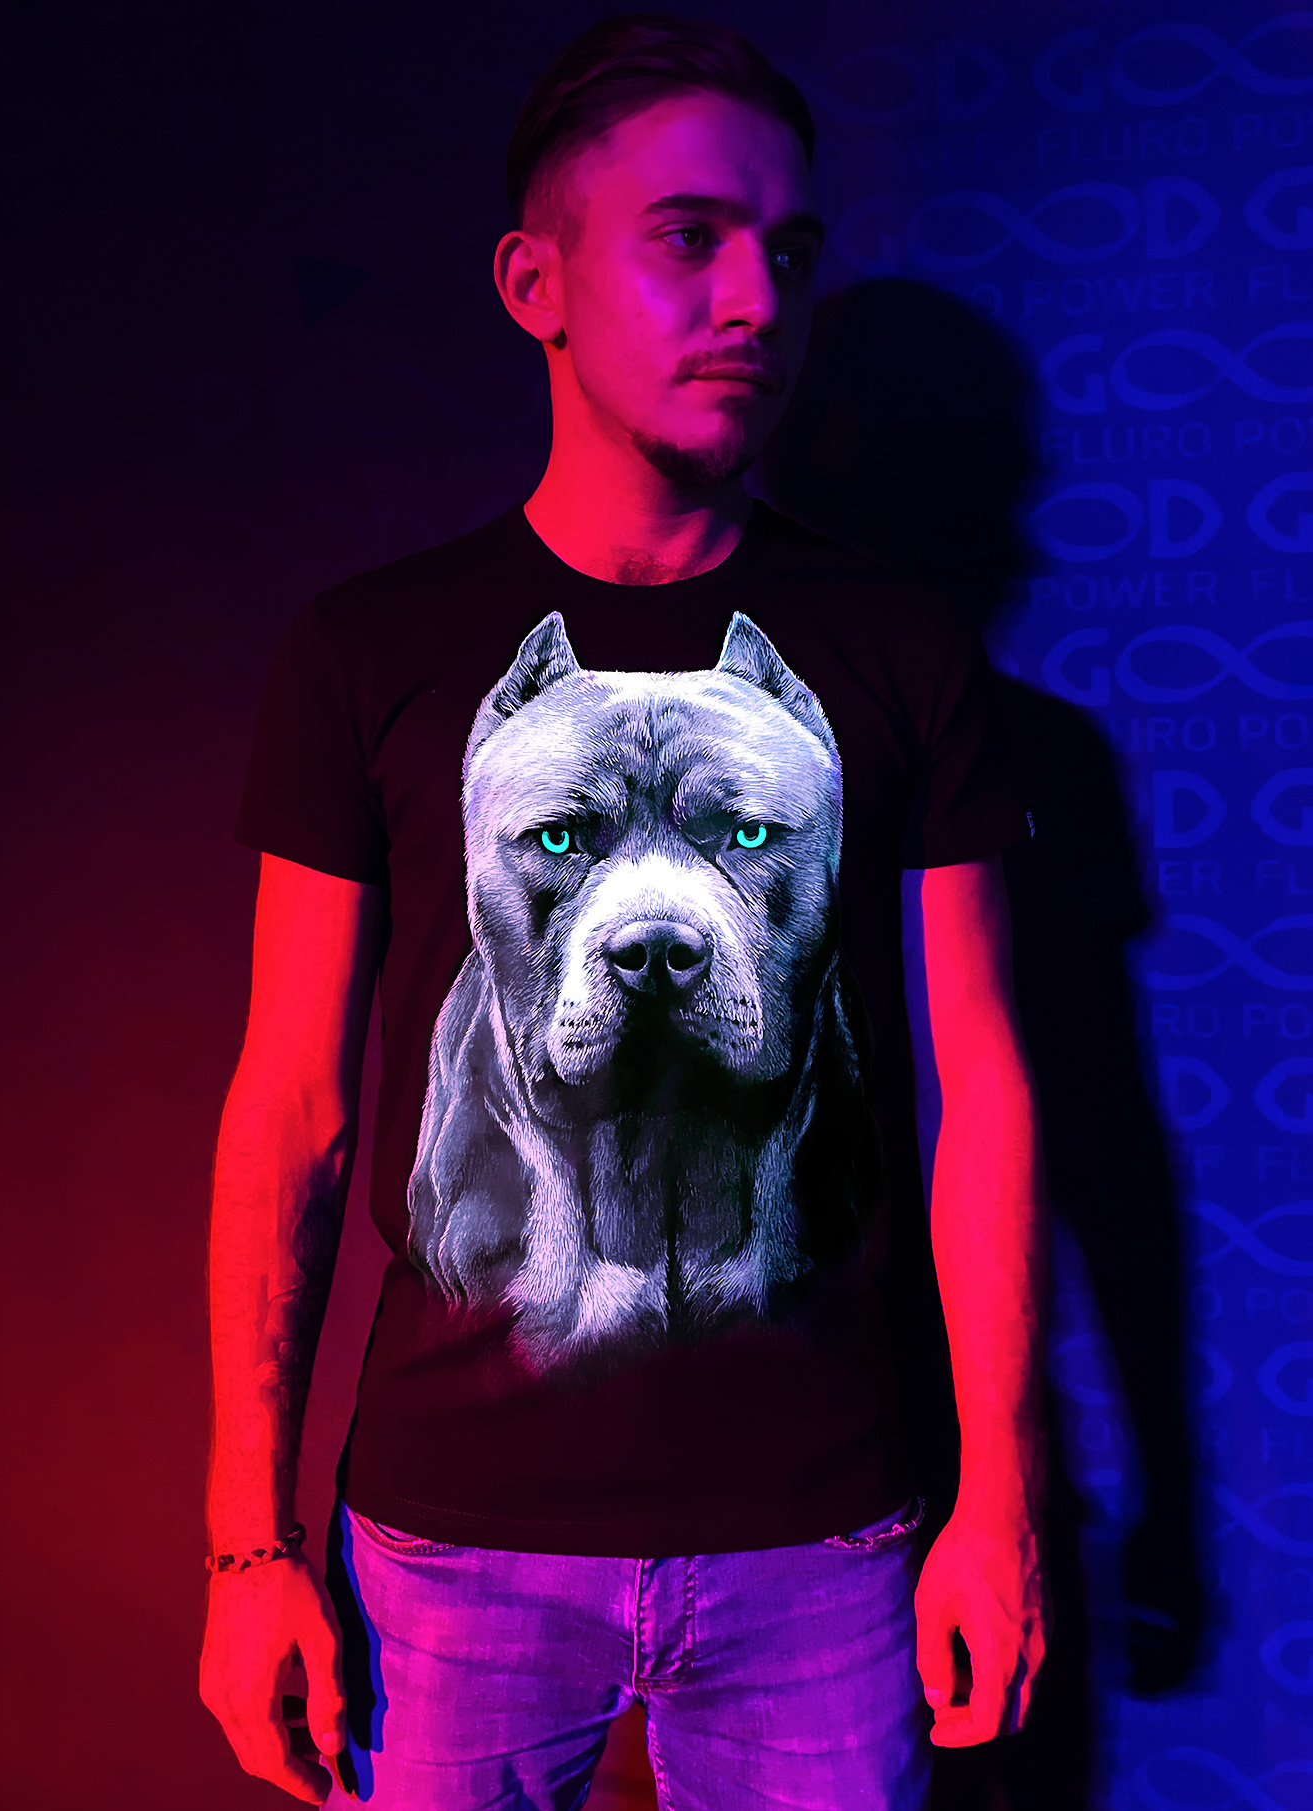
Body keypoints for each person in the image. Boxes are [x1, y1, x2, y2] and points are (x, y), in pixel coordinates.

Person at [198, 15, 1049, 1809]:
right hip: (447, 1550)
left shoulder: (897, 651)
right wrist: (245, 1547)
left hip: (826, 1542)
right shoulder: (368, 653)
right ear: (537, 283)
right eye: (688, 237)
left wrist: (1001, 1504)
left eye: (787, 253)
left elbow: (983, 1088)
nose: (752, 298)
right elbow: (293, 1102)